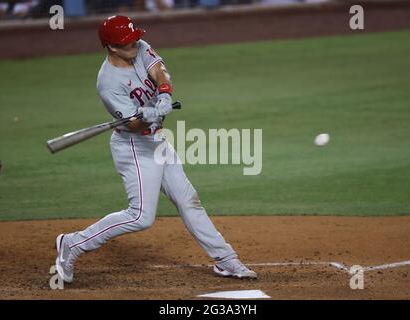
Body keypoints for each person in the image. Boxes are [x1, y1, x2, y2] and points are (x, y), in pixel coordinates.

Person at [54, 15, 257, 283]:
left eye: (136, 38)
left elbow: (159, 70)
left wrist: (164, 94)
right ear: (112, 47)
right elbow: (135, 126)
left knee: (188, 200)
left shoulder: (139, 46)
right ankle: (72, 244)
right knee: (140, 216)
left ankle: (226, 260)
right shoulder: (108, 83)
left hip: (158, 140)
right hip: (134, 147)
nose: (135, 44)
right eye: (128, 42)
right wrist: (145, 116)